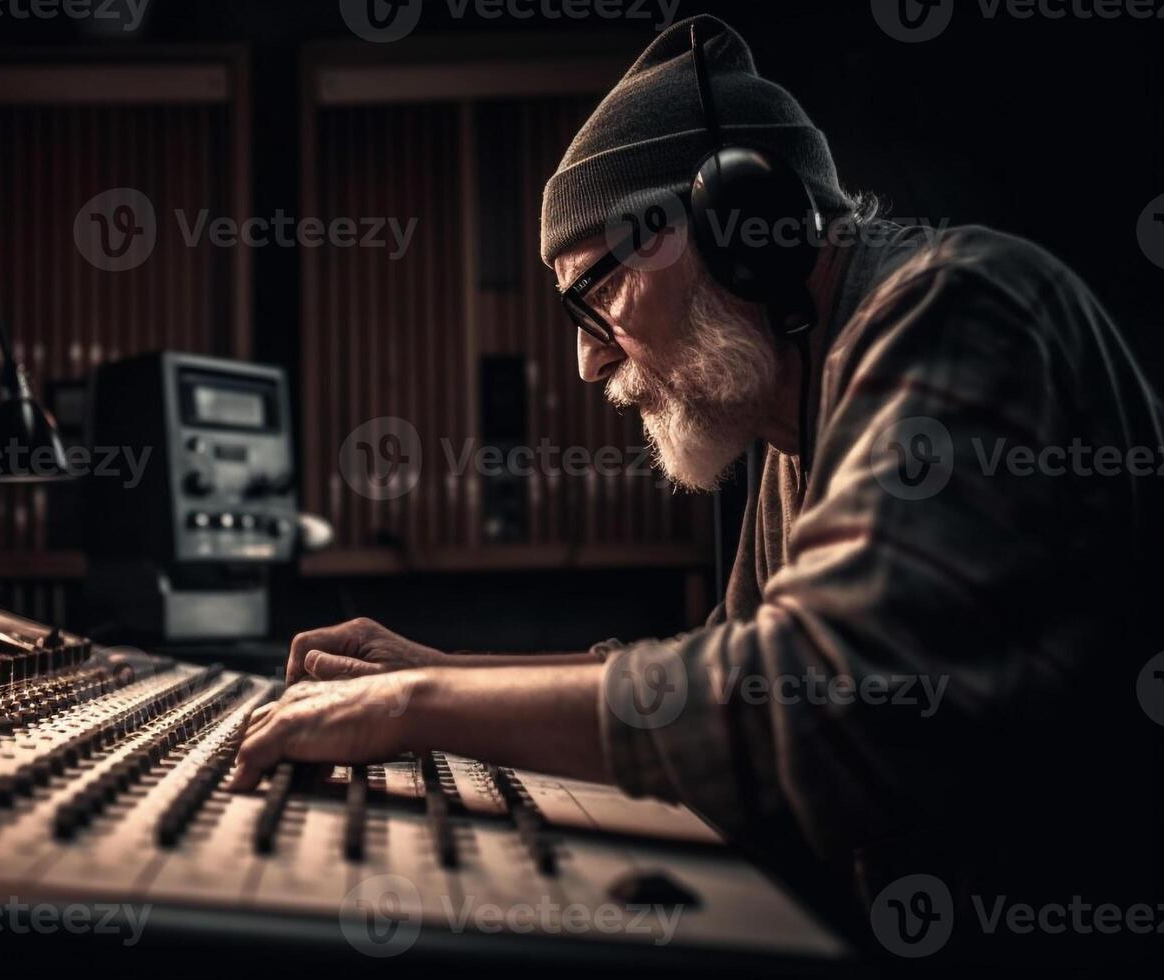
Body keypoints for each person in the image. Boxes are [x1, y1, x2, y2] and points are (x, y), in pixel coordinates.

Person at [232, 14, 1163, 960]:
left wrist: (417, 708)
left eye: (593, 294)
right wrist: (436, 673)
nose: (589, 363)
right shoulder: (800, 402)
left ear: (727, 226)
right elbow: (722, 673)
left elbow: (814, 703)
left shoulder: (958, 305)